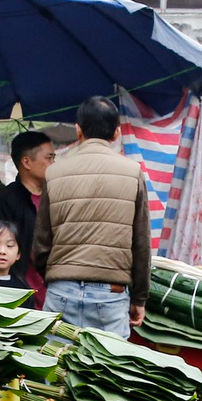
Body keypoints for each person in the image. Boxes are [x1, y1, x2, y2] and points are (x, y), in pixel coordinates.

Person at [32, 97, 151, 336]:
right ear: (116, 133)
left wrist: (60, 277)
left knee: (55, 368)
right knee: (107, 371)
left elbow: (41, 244)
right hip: (112, 294)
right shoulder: (132, 173)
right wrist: (139, 298)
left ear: (78, 130)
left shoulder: (54, 173)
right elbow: (141, 244)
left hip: (61, 291)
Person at [0, 129, 55, 304]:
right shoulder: (6, 201)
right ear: (27, 162)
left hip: (56, 295)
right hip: (22, 296)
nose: (53, 163)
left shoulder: (56, 196)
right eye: (49, 158)